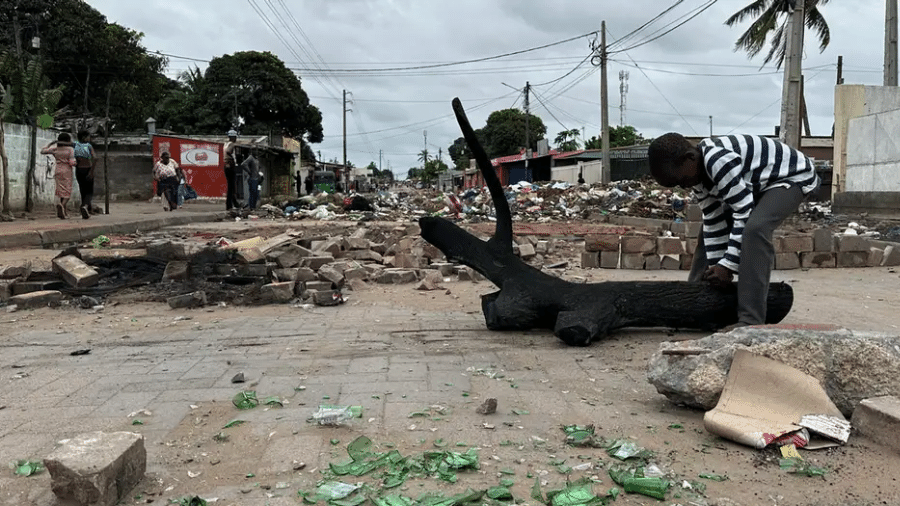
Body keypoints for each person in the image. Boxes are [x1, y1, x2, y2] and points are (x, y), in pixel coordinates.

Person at [648, 132, 820, 328]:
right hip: (755, 184)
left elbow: (743, 213)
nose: (684, 186)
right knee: (707, 235)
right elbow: (713, 221)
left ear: (690, 158)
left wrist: (728, 265)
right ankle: (694, 302)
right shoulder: (696, 176)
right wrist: (718, 267)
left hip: (792, 177)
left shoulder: (717, 162)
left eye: (681, 181)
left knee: (755, 230)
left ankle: (751, 320)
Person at [41, 133, 77, 219]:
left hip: (57, 170)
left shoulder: (55, 149)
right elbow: (71, 162)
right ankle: (61, 205)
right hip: (67, 171)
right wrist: (77, 163)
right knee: (67, 191)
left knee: (60, 190)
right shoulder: (70, 149)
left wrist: (51, 143)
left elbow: (42, 151)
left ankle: (64, 212)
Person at [73, 130, 96, 219]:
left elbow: (64, 142)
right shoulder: (88, 146)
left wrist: (55, 142)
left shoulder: (75, 145)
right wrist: (92, 171)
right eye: (88, 136)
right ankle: (85, 206)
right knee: (89, 190)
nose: (90, 138)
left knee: (82, 189)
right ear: (84, 137)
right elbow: (95, 158)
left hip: (79, 170)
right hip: (87, 168)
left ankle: (86, 208)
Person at [223, 129, 239, 210]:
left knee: (230, 186)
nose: (236, 139)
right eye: (235, 137)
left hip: (226, 166)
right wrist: (233, 159)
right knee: (232, 187)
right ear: (233, 137)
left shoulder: (226, 144)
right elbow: (229, 152)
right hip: (230, 166)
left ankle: (233, 204)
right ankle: (230, 205)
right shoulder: (232, 144)